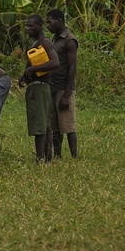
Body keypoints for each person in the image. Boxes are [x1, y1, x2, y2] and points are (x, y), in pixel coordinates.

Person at [20, 14, 59, 163]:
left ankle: (40, 159)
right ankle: (47, 158)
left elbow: (55, 62)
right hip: (37, 86)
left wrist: (32, 70)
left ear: (40, 26)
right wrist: (25, 75)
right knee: (45, 124)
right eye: (27, 25)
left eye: (31, 26)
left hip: (40, 87)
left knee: (39, 125)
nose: (28, 28)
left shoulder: (45, 42)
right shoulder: (36, 43)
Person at [45, 9, 79, 159]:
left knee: (68, 125)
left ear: (59, 21)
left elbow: (72, 68)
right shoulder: (54, 39)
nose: (48, 25)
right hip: (52, 86)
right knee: (55, 126)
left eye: (50, 22)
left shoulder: (69, 39)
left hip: (64, 88)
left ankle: (74, 156)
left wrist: (67, 95)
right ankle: (58, 155)